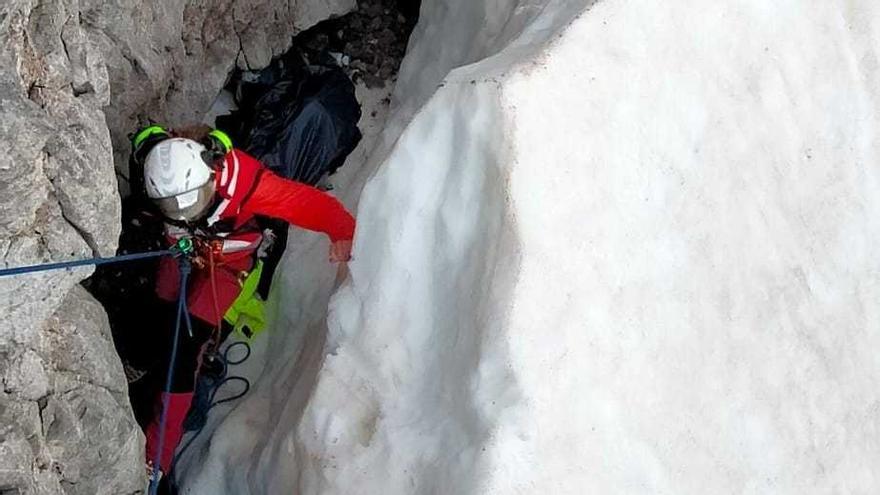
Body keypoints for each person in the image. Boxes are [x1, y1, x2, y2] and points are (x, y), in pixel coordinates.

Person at [129, 124, 355, 477]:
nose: (186, 212)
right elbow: (148, 136)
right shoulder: (155, 166)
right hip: (182, 253)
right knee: (161, 320)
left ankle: (159, 454)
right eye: (172, 208)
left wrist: (344, 230)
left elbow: (302, 202)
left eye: (195, 203)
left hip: (226, 264)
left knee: (187, 346)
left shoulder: (243, 182)